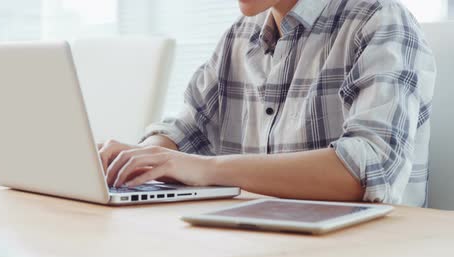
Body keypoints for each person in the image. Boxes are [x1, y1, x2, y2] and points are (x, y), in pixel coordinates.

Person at [98, 0, 436, 207]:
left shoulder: (379, 20)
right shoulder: (240, 35)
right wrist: (143, 158)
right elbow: (187, 129)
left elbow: (366, 170)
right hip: (261, 243)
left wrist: (204, 169)